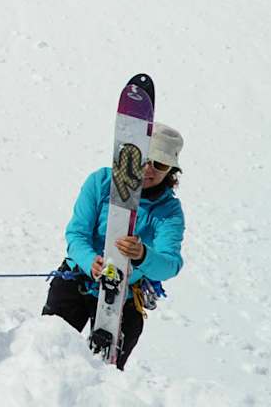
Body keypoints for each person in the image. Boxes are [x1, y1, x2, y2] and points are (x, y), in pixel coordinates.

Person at [42, 123, 186, 369]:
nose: (148, 169)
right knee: (47, 356)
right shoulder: (100, 182)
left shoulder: (169, 212)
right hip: (76, 280)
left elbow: (170, 265)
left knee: (102, 378)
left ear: (171, 170)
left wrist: (142, 255)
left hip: (124, 296)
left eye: (159, 165)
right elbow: (77, 234)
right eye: (144, 158)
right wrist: (90, 262)